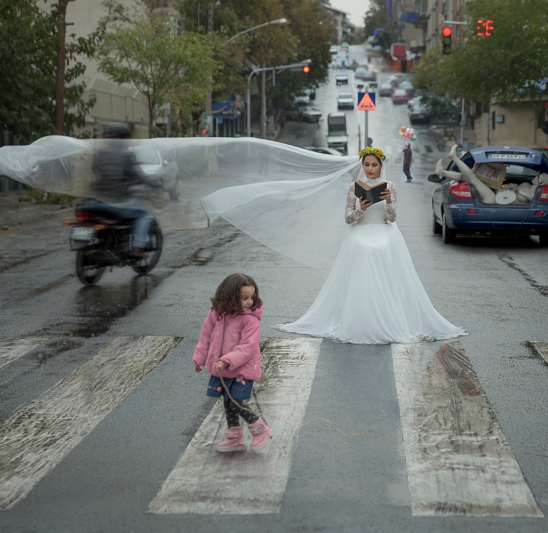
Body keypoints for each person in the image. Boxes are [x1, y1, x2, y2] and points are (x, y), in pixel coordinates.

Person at [276, 146, 466, 344]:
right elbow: (348, 219)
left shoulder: (389, 186)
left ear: (380, 166)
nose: (369, 168)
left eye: (374, 165)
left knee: (380, 247)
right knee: (362, 247)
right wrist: (361, 209)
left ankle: (385, 312)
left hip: (383, 230)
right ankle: (359, 313)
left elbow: (392, 218)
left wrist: (390, 202)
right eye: (366, 164)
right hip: (361, 229)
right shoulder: (354, 187)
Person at [193, 273, 272, 452]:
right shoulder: (217, 314)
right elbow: (205, 337)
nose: (249, 302)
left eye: (252, 297)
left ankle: (260, 429)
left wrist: (227, 361)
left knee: (236, 402)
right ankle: (235, 438)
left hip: (242, 370)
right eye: (244, 298)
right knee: (228, 404)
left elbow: (248, 346)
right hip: (222, 369)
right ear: (229, 297)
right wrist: (199, 358)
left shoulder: (250, 319)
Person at [89, 122, 155, 258]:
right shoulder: (127, 155)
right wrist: (154, 183)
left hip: (95, 201)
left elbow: (96, 171)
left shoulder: (99, 153)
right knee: (145, 213)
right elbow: (139, 175)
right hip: (117, 202)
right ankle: (138, 247)